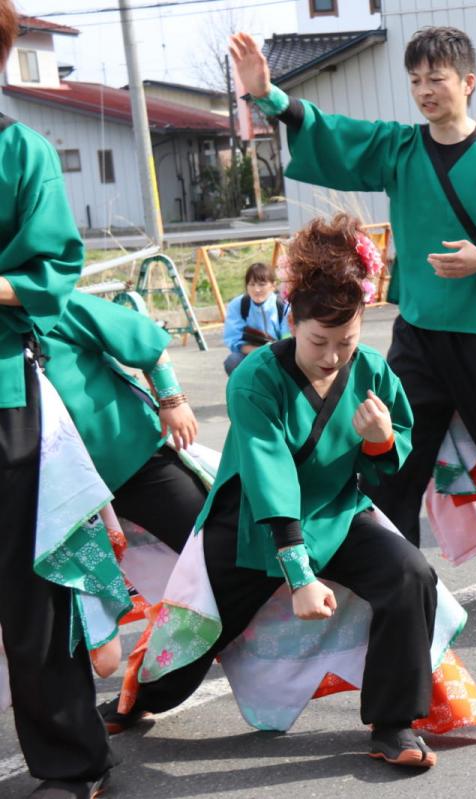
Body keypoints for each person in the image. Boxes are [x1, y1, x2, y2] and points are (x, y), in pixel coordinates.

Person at [230, 28, 476, 606]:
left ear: (468, 82)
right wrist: (269, 96)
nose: (425, 90)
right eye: (416, 80)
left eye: (437, 78)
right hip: (418, 334)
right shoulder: (399, 147)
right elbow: (336, 133)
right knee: (389, 459)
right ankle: (384, 582)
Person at [103, 213, 445, 768]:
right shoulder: (255, 377)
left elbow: (392, 457)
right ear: (291, 320)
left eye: (347, 341)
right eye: (318, 341)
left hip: (335, 512)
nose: (332, 356)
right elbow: (270, 475)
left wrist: (382, 440)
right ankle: (140, 698)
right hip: (252, 523)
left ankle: (393, 723)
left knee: (410, 574)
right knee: (199, 624)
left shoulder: (373, 370)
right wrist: (300, 576)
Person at [0, 3, 117, 794]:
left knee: (30, 587)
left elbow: (52, 272)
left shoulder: (22, 151)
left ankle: (73, 758)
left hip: (5, 388)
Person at [42, 292, 206, 558]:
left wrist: (172, 399)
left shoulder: (47, 300)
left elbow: (140, 336)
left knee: (208, 544)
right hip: (63, 496)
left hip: (134, 456)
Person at [223, 261, 290, 375]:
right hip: (250, 353)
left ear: (273, 285)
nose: (256, 289)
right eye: (252, 284)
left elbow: (287, 339)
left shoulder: (283, 305)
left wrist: (274, 351)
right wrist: (260, 352)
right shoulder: (237, 305)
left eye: (262, 284)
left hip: (278, 353)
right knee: (232, 361)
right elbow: (234, 340)